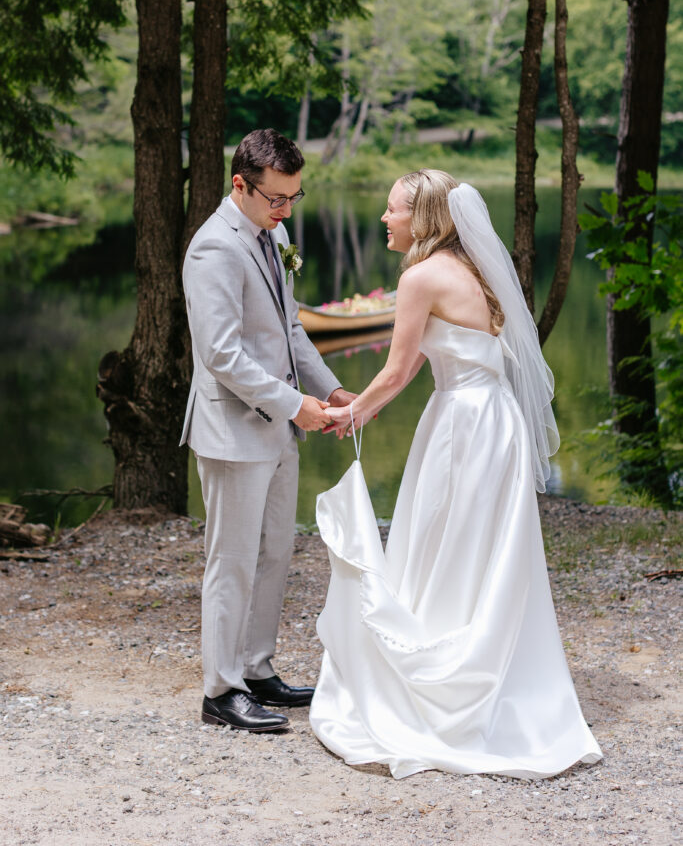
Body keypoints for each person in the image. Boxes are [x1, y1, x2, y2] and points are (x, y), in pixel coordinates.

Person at [312, 169, 602, 778]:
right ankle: (497, 672)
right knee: (488, 547)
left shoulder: (420, 277)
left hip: (462, 428)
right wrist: (359, 405)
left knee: (445, 540)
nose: (385, 219)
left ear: (421, 219)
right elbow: (421, 361)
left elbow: (396, 372)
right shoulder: (474, 267)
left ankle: (439, 685)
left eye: (393, 211)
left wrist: (349, 414)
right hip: (497, 424)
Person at [181, 129, 355, 733]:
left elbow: (289, 329)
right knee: (231, 559)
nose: (284, 212)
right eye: (275, 199)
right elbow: (222, 354)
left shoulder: (271, 233)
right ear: (240, 185)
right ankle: (220, 690)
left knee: (276, 551)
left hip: (279, 427)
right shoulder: (213, 249)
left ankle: (257, 669)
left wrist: (329, 389)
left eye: (293, 198)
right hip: (233, 429)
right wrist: (293, 404)